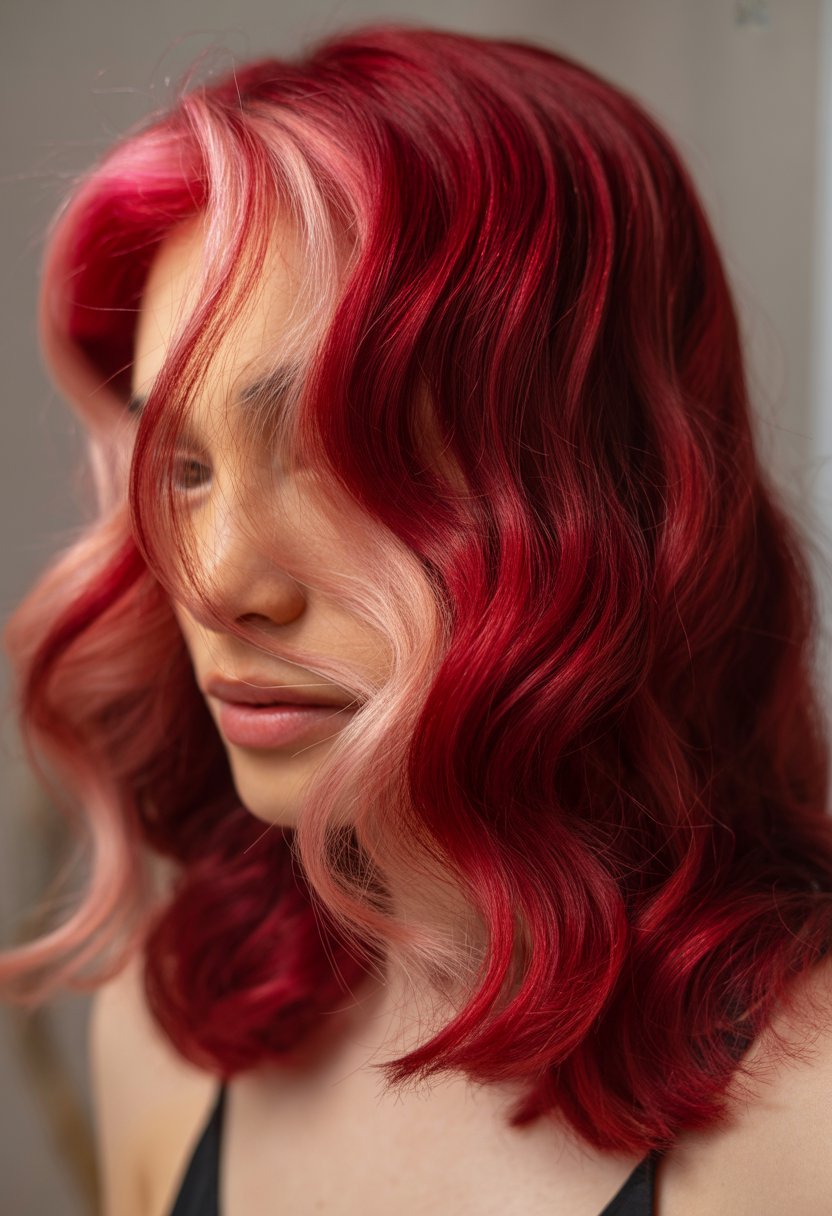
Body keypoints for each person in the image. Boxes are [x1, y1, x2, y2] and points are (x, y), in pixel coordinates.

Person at [3, 20, 832, 1216]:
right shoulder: (169, 1021)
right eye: (183, 466)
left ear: (599, 490)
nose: (220, 580)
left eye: (335, 454)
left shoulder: (805, 1124)